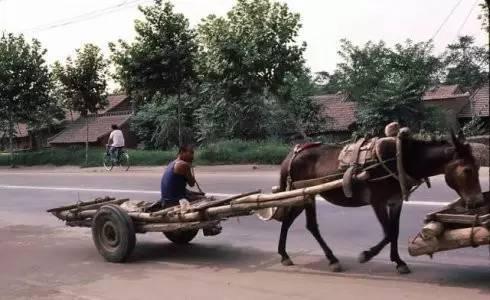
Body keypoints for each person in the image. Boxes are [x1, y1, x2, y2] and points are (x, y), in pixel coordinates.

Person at [160, 144, 221, 235]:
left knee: (200, 196)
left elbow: (179, 187)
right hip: (175, 200)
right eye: (191, 153)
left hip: (168, 197)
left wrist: (197, 194)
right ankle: (208, 229)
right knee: (206, 201)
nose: (193, 156)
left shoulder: (173, 163)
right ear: (182, 152)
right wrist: (190, 167)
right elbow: (192, 183)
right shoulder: (183, 165)